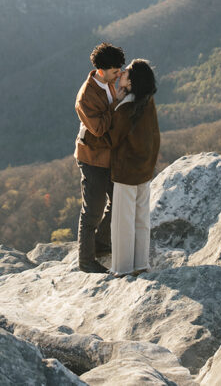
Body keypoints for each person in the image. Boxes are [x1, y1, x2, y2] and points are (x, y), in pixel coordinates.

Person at [74, 42, 126, 273]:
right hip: (93, 158)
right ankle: (85, 261)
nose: (120, 74)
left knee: (119, 201)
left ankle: (102, 244)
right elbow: (99, 129)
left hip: (110, 155)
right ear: (102, 70)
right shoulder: (86, 96)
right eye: (116, 71)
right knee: (92, 210)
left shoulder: (109, 82)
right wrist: (118, 102)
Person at [107, 59, 160, 277]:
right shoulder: (147, 102)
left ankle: (122, 268)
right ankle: (141, 264)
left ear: (132, 82)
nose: (121, 74)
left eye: (126, 72)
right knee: (141, 219)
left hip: (126, 170)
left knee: (122, 221)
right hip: (145, 168)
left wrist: (113, 106)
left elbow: (112, 138)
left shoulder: (126, 106)